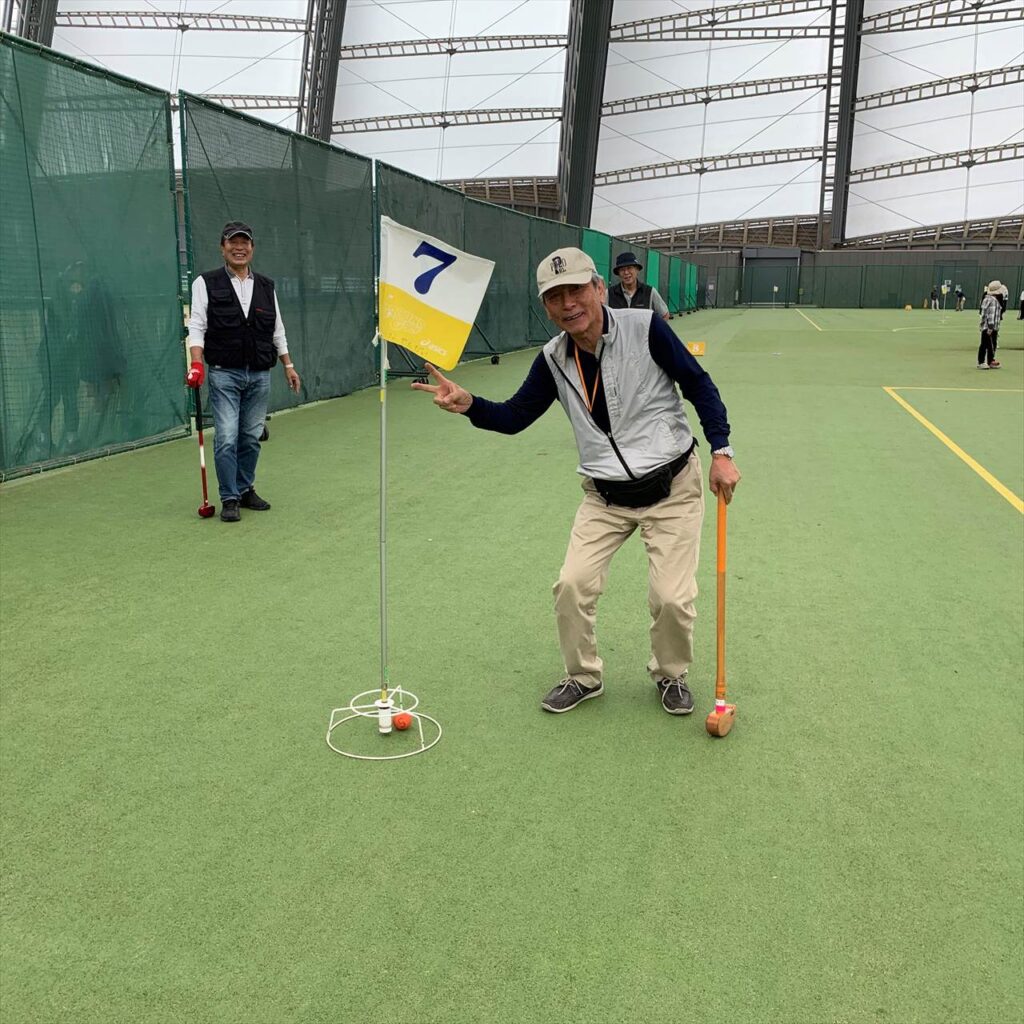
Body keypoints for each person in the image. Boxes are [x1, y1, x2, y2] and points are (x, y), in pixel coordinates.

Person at [412, 248, 740, 717]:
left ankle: (670, 673)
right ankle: (583, 676)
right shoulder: (552, 358)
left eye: (576, 290)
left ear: (599, 289)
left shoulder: (646, 328)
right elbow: (515, 416)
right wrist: (469, 404)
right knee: (571, 585)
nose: (567, 304)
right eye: (554, 296)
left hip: (672, 487)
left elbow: (699, 385)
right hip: (605, 496)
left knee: (671, 597)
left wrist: (721, 451)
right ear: (546, 307)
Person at [186, 221, 300, 522]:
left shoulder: (266, 286)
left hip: (259, 373)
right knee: (226, 436)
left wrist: (288, 365)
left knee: (250, 436)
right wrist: (196, 363)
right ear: (222, 247)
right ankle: (229, 497)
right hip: (224, 372)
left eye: (244, 242)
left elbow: (277, 329)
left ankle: (245, 488)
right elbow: (196, 326)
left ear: (252, 247)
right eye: (232, 242)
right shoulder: (205, 283)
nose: (239, 248)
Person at [607, 252, 671, 320]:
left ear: (637, 270)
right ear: (619, 273)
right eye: (622, 270)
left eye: (629, 268)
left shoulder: (650, 292)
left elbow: (665, 314)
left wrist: (655, 327)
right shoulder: (609, 293)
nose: (626, 272)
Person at [977, 280, 1003, 369]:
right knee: (988, 344)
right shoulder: (993, 301)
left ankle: (990, 360)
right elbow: (991, 314)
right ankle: (982, 362)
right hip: (990, 327)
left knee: (987, 344)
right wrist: (991, 327)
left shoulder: (986, 298)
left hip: (986, 326)